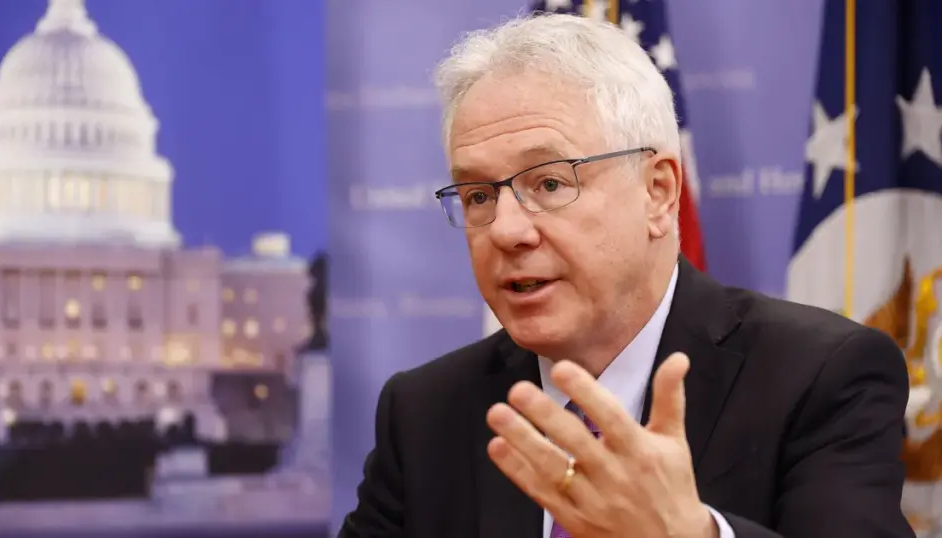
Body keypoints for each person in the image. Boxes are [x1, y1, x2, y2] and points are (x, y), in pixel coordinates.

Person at [338, 13, 914, 538]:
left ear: (658, 192)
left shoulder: (821, 376)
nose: (506, 230)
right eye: (479, 195)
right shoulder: (426, 412)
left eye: (549, 183)